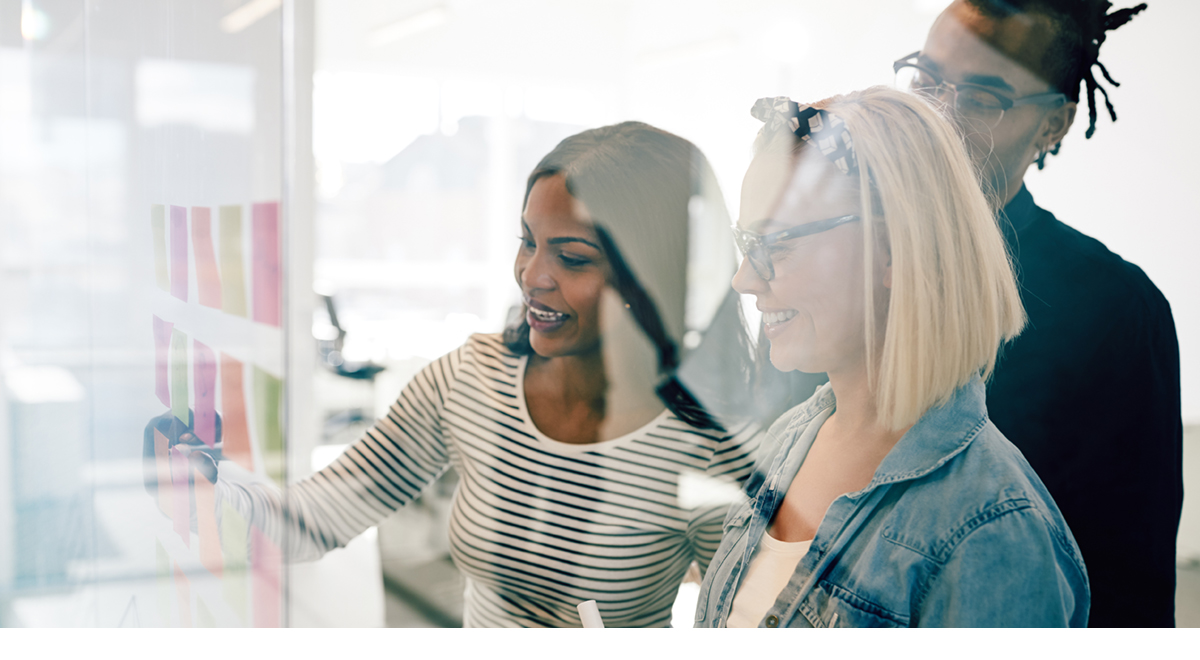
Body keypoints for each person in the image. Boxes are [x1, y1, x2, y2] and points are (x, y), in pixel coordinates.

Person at [145, 121, 759, 627]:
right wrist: (205, 483)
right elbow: (316, 519)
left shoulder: (709, 441)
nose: (532, 276)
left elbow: (730, 628)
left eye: (571, 257)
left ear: (648, 275)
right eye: (527, 242)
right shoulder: (472, 379)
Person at [694, 88, 1088, 628]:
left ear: (893, 248)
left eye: (775, 244)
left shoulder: (994, 533)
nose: (744, 279)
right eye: (746, 243)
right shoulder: (792, 437)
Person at [894, 0, 1181, 626]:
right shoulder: (841, 262)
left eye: (980, 98)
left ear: (1053, 124)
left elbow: (1127, 586)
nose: (937, 115)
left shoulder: (1118, 311)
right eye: (926, 80)